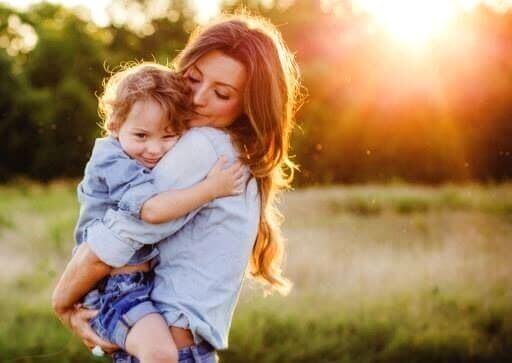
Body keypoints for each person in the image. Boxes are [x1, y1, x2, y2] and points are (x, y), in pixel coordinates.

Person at [52, 12, 302, 363]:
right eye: (194, 78)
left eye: (221, 93)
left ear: (248, 105)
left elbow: (116, 239)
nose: (199, 98)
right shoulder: (237, 152)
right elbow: (128, 227)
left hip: (172, 349)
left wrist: (62, 302)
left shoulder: (204, 147)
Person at [59, 62, 244, 363]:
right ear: (115, 127)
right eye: (142, 136)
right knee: (159, 354)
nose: (154, 149)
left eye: (168, 136)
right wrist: (212, 188)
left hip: (139, 284)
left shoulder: (148, 156)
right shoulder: (111, 159)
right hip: (111, 287)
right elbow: (152, 211)